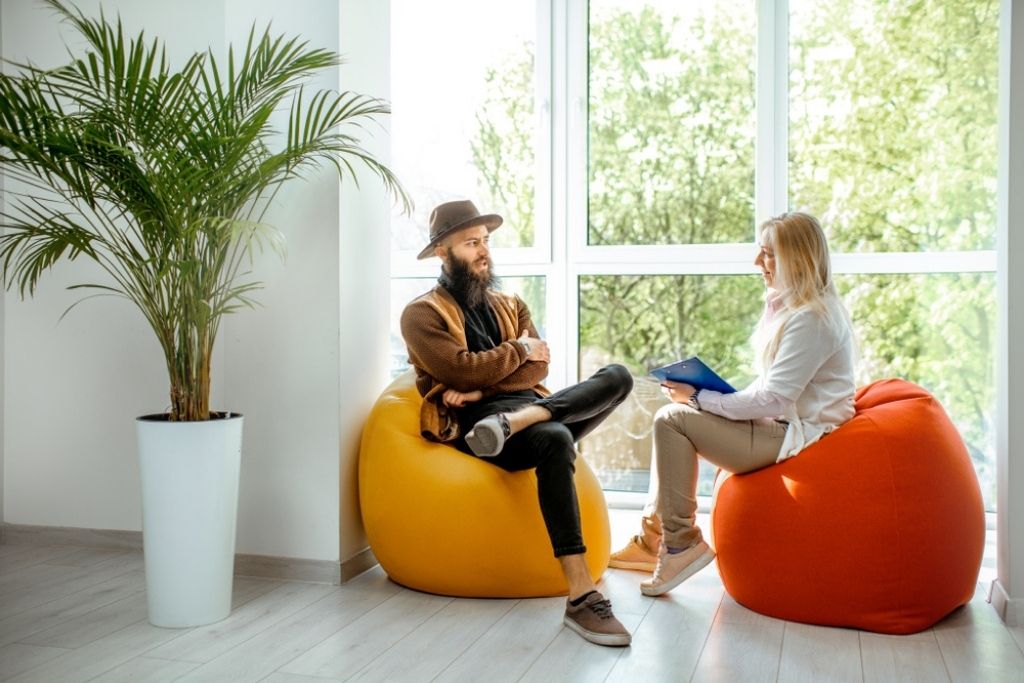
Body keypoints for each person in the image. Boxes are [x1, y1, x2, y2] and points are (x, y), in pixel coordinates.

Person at [400, 199, 635, 647]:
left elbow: (538, 373)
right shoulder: (422, 314)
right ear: (442, 253)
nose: (483, 250)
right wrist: (516, 356)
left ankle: (528, 417)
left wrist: (490, 380)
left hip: (527, 409)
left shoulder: (511, 303)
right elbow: (463, 371)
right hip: (480, 430)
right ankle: (582, 594)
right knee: (554, 435)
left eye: (486, 241)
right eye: (471, 243)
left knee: (619, 377)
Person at [610, 211, 857, 597]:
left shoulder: (813, 319)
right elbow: (772, 386)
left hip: (798, 438)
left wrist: (698, 397)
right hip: (784, 425)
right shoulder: (792, 308)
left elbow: (774, 398)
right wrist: (707, 398)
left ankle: (681, 544)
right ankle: (654, 540)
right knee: (676, 413)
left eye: (768, 254)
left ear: (798, 259)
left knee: (672, 420)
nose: (758, 263)